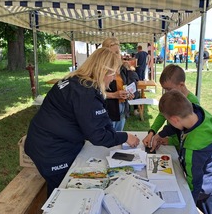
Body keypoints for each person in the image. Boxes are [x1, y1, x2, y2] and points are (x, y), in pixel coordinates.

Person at [24, 48, 140, 197]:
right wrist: (125, 137)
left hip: (45, 141)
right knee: (63, 191)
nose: (113, 79)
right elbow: (98, 136)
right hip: (51, 150)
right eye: (113, 74)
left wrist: (113, 132)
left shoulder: (78, 81)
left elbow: (98, 119)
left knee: (61, 188)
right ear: (104, 72)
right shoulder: (85, 93)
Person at [148, 90, 212, 214]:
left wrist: (189, 208)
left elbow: (194, 183)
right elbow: (178, 126)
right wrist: (161, 134)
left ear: (174, 120)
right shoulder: (196, 112)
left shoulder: (194, 148)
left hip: (205, 188)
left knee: (203, 210)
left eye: (169, 120)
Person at [142, 64, 199, 150]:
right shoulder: (171, 97)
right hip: (172, 142)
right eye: (165, 89)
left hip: (185, 147)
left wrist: (171, 141)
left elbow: (190, 131)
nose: (166, 92)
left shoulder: (193, 102)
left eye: (169, 89)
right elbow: (162, 115)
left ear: (181, 85)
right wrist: (152, 132)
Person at [102, 37, 135, 131]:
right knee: (109, 138)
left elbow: (125, 86)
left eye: (117, 52)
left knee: (118, 136)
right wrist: (113, 95)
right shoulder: (101, 70)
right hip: (108, 109)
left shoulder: (122, 68)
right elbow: (94, 92)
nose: (116, 55)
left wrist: (129, 94)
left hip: (122, 107)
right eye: (112, 53)